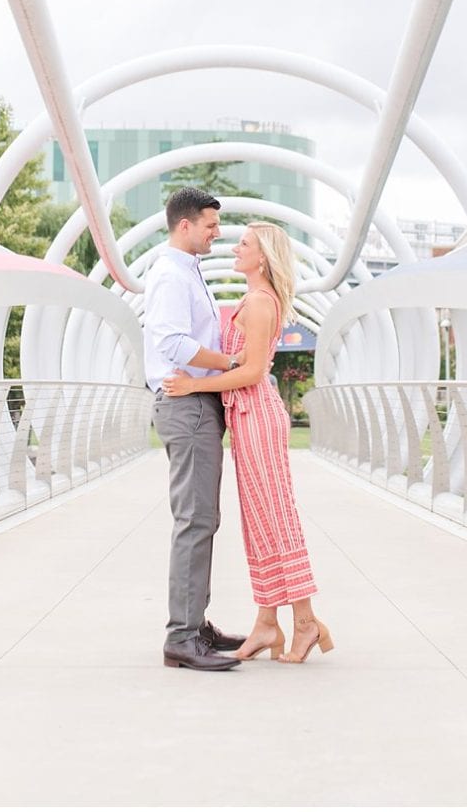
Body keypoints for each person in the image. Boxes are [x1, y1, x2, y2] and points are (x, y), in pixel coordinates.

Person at [163, 222, 331, 664]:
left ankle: (307, 621)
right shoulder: (254, 299)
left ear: (263, 257)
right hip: (247, 417)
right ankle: (267, 624)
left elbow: (253, 372)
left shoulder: (259, 303)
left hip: (257, 415)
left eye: (244, 244)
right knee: (259, 523)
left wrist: (194, 387)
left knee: (276, 520)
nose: (234, 248)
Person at [143, 187, 247, 672]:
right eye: (210, 225)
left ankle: (194, 623)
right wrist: (229, 361)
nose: (217, 232)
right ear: (185, 225)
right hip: (187, 407)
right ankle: (181, 637)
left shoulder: (186, 272)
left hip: (197, 404)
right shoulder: (169, 274)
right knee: (194, 520)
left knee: (203, 518)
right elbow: (172, 342)